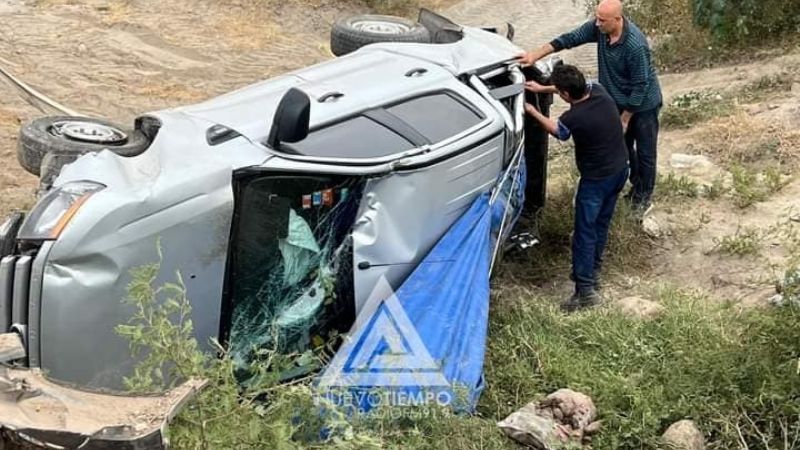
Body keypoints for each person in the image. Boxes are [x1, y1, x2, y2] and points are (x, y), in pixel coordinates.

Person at [517, 0, 662, 214]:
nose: (597, 23)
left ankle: (643, 198)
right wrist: (534, 55)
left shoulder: (635, 45)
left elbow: (640, 85)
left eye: (602, 20)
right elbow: (569, 38)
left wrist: (625, 118)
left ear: (617, 19)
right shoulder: (600, 30)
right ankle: (634, 185)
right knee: (623, 147)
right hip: (617, 100)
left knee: (645, 152)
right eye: (597, 18)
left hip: (642, 106)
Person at [524, 64, 628, 312]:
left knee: (584, 233)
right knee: (600, 225)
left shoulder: (574, 118)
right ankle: (594, 272)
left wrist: (532, 110)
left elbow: (558, 131)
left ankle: (584, 291)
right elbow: (576, 89)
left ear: (565, 95)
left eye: (559, 92)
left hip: (596, 181)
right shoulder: (599, 91)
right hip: (619, 170)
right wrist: (543, 88)